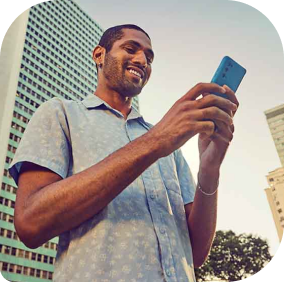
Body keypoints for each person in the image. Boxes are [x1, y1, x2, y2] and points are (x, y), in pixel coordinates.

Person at [9, 24, 238, 282]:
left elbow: (196, 255)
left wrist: (209, 170)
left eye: (149, 58)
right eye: (131, 49)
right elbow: (30, 223)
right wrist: (155, 141)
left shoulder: (169, 144)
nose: (142, 61)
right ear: (99, 55)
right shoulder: (61, 114)